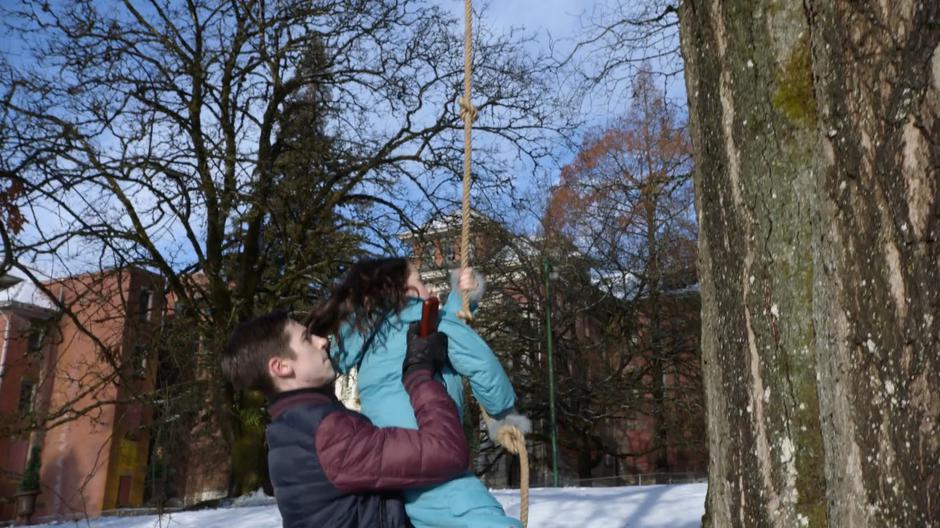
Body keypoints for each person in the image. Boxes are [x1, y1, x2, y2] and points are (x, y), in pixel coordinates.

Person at [309, 258, 529, 528]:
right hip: (433, 460)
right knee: (481, 518)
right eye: (421, 281)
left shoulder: (365, 335)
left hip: (389, 463)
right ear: (407, 293)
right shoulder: (430, 321)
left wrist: (461, 301)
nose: (428, 291)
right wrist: (502, 412)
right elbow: (481, 363)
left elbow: (429, 328)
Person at [221, 311, 469, 528]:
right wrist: (419, 374)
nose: (322, 341)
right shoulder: (326, 433)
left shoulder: (294, 427)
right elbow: (447, 450)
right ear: (281, 367)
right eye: (307, 339)